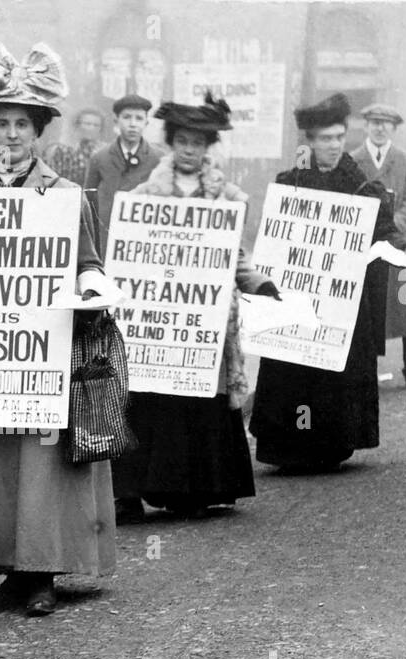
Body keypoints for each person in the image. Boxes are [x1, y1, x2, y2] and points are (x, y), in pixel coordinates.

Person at [0, 39, 115, 616]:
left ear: (38, 130)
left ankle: (41, 571)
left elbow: (88, 262)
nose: (11, 135)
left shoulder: (65, 198)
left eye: (22, 124)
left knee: (40, 462)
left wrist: (91, 288)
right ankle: (5, 568)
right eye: (1, 123)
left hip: (45, 348)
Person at [112, 93, 276, 522]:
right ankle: (133, 490)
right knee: (149, 401)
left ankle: (195, 490)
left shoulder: (227, 199)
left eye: (198, 143)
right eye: (182, 140)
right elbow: (128, 253)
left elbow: (235, 256)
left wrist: (257, 281)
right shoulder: (144, 195)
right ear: (170, 143)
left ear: (208, 149)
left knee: (200, 402)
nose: (189, 149)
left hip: (206, 322)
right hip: (157, 321)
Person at [248, 92, 388, 472]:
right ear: (309, 142)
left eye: (339, 138)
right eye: (325, 139)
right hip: (297, 295)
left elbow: (382, 235)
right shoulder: (290, 182)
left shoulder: (359, 185)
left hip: (340, 299)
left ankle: (331, 443)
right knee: (294, 372)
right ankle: (290, 445)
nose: (333, 145)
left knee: (333, 374)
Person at [351, 103, 406, 389]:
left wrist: (391, 227)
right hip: (365, 246)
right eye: (374, 122)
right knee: (368, 308)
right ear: (366, 127)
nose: (380, 128)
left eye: (386, 123)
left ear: (394, 128)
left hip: (400, 242)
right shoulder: (352, 160)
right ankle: (366, 371)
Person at [85, 93, 162, 252]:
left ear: (146, 122)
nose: (133, 124)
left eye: (139, 118)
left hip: (142, 236)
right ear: (116, 121)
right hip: (107, 234)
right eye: (127, 117)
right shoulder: (100, 158)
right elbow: (88, 201)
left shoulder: (158, 159)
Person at [46, 107, 105, 185]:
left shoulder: (105, 151)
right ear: (77, 125)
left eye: (96, 125)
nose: (92, 128)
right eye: (88, 124)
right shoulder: (61, 149)